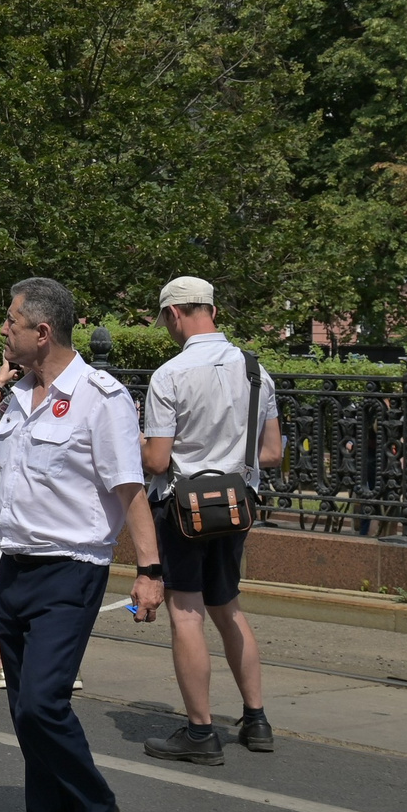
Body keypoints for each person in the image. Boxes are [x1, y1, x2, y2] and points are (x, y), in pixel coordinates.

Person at [0, 277, 160, 812]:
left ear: (41, 332)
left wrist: (149, 571)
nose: (2, 331)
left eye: (10, 322)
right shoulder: (18, 396)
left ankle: (97, 810)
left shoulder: (103, 398)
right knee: (23, 708)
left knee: (45, 701)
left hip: (71, 569)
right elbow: (6, 489)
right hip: (13, 564)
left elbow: (130, 490)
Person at [136, 277, 284, 765]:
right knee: (229, 606)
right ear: (212, 310)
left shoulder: (170, 375)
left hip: (183, 508)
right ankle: (257, 719)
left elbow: (157, 462)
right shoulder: (256, 370)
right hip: (237, 505)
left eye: (164, 321)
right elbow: (271, 452)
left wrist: (135, 442)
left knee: (187, 612)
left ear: (175, 314)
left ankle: (201, 733)